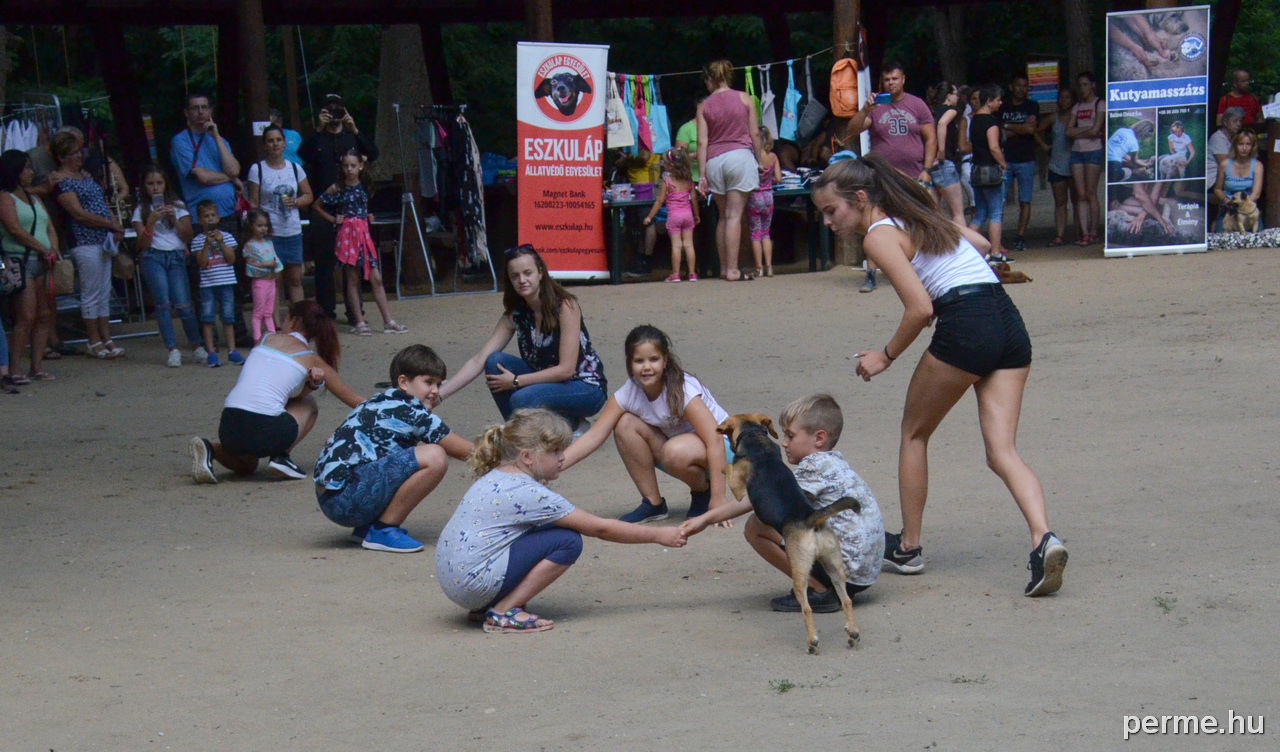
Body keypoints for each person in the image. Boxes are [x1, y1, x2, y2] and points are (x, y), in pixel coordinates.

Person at [812, 152, 1067, 597]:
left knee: (914, 433)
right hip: (1007, 322)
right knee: (1002, 451)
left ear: (860, 198)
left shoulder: (879, 236)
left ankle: (909, 547)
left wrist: (885, 356)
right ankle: (1044, 538)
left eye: (832, 210)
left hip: (966, 323)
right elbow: (981, 246)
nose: (828, 221)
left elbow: (920, 308)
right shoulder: (920, 219)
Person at [435, 408, 686, 633]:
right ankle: (504, 610)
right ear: (527, 457)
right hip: (473, 583)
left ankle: (489, 604)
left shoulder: (497, 475)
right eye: (555, 451)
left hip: (455, 580)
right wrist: (658, 535)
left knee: (550, 526)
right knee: (567, 540)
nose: (562, 457)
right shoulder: (530, 493)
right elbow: (600, 528)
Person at [678, 394, 884, 613]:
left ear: (819, 438)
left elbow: (752, 501)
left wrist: (705, 519)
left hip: (847, 572)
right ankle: (825, 585)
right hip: (866, 573)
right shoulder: (835, 463)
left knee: (756, 526)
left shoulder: (812, 467)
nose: (784, 442)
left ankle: (820, 590)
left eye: (791, 436)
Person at [561, 324, 730, 524]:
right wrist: (555, 464)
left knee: (674, 451)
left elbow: (715, 439)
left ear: (665, 360)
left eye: (654, 359)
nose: (647, 367)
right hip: (677, 451)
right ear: (630, 363)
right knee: (624, 423)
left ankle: (704, 492)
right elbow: (594, 436)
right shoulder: (629, 392)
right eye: (639, 361)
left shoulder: (683, 390)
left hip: (724, 451)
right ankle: (653, 503)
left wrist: (719, 500)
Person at [314, 344, 473, 553]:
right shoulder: (414, 413)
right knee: (435, 456)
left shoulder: (376, 401)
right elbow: (467, 452)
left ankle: (366, 527)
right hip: (348, 499)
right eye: (428, 382)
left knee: (395, 458)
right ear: (403, 382)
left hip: (328, 497)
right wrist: (507, 454)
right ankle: (383, 529)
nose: (435, 390)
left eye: (438, 383)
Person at [191, 299, 361, 484]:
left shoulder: (264, 338)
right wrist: (313, 386)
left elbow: (269, 382)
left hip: (229, 426)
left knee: (248, 466)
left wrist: (310, 385)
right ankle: (281, 457)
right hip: (267, 430)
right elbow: (354, 400)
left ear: (294, 321)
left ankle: (211, 449)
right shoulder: (312, 359)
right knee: (309, 404)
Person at [440, 245, 607, 429]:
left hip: (584, 386)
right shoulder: (516, 313)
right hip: (546, 382)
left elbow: (566, 370)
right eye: (515, 276)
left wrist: (515, 381)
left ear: (540, 273)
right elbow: (478, 360)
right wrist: (439, 395)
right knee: (494, 362)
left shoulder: (565, 306)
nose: (522, 280)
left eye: (528, 273)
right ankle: (520, 433)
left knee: (521, 398)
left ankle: (569, 425)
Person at [845, 62, 937, 292]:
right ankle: (871, 273)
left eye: (895, 79)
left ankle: (920, 269)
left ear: (903, 79)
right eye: (887, 80)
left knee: (917, 220)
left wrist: (927, 168)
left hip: (912, 174)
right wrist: (865, 109)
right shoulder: (876, 107)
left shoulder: (917, 104)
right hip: (882, 176)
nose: (891, 83)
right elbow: (852, 130)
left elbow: (931, 138)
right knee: (875, 222)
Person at [299, 93, 378, 322]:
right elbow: (303, 155)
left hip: (350, 210)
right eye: (329, 109)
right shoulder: (317, 138)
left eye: (338, 109)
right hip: (324, 207)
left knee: (352, 264)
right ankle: (326, 313)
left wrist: (355, 129)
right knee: (324, 263)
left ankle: (355, 312)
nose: (334, 114)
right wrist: (317, 129)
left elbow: (373, 154)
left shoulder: (351, 137)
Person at [51, 130, 127, 360]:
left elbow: (101, 204)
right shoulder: (62, 182)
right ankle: (93, 339)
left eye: (79, 151)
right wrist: (109, 224)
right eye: (73, 153)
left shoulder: (85, 176)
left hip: (102, 239)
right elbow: (78, 214)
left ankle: (106, 337)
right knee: (91, 292)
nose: (79, 156)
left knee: (104, 291)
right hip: (84, 240)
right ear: (62, 157)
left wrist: (114, 226)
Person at [319, 151, 407, 335]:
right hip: (347, 235)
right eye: (345, 166)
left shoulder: (365, 185)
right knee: (352, 278)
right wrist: (333, 218)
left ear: (360, 166)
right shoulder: (338, 187)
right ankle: (359, 322)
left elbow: (364, 206)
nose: (349, 169)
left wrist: (368, 215)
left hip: (363, 234)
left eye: (353, 165)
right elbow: (317, 205)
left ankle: (388, 320)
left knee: (376, 278)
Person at [696, 59, 761, 282]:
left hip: (714, 161)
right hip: (739, 157)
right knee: (734, 216)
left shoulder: (703, 106)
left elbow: (702, 142)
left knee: (723, 216)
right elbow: (755, 134)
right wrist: (759, 160)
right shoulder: (744, 98)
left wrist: (702, 176)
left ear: (710, 79)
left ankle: (724, 268)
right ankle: (734, 270)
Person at [132, 164, 202, 367]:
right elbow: (142, 244)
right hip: (153, 257)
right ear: (144, 186)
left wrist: (174, 219)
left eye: (159, 183)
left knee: (183, 304)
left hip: (176, 256)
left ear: (166, 184)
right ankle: (173, 349)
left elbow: (188, 236)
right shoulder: (140, 210)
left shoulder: (178, 206)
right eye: (150, 183)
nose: (155, 188)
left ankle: (196, 346)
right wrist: (150, 222)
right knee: (162, 304)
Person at [0, 149, 59, 383]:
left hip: (41, 261)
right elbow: (14, 229)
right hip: (21, 260)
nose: (31, 172)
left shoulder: (34, 198)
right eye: (26, 167)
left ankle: (36, 366)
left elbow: (49, 227)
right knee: (26, 316)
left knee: (44, 315)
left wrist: (53, 248)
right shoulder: (5, 198)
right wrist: (43, 248)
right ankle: (14, 368)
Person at [247, 123, 312, 307]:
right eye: (270, 141)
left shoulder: (295, 168)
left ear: (284, 143)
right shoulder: (257, 169)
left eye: (278, 140)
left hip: (292, 230)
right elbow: (253, 202)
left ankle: (298, 319)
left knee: (295, 279)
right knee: (273, 280)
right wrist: (256, 230)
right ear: (265, 145)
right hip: (270, 232)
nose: (275, 144)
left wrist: (296, 202)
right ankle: (273, 321)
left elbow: (308, 195)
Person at [191, 199, 243, 367]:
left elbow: (231, 259)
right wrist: (207, 244)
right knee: (207, 318)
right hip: (207, 285)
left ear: (218, 217)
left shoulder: (227, 237)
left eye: (213, 215)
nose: (210, 219)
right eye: (206, 216)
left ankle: (232, 351)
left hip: (226, 282)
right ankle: (211, 352)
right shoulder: (197, 240)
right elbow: (202, 263)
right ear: (199, 220)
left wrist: (220, 242)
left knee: (228, 317)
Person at [643, 148, 699, 282]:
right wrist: (696, 214)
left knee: (676, 245)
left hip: (674, 216)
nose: (663, 164)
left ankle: (675, 273)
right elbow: (694, 199)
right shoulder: (688, 181)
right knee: (689, 244)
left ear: (670, 166)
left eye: (665, 162)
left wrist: (649, 217)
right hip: (688, 215)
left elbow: (659, 201)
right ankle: (692, 273)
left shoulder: (667, 182)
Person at [997, 75, 1039, 254]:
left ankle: (1020, 237)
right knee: (999, 200)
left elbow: (1030, 129)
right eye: (1019, 85)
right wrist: (1019, 128)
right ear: (1011, 87)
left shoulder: (1032, 106)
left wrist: (1008, 126)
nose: (1022, 89)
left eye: (1025, 86)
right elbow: (999, 131)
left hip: (1026, 159)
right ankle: (997, 237)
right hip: (1005, 159)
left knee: (1025, 200)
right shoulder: (1002, 107)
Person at [968, 85, 1010, 262]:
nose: (1000, 103)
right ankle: (995, 253)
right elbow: (994, 147)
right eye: (998, 100)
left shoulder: (974, 120)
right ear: (989, 101)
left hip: (976, 170)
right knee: (995, 213)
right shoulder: (991, 122)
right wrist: (1003, 163)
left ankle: (966, 249)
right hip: (991, 171)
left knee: (980, 214)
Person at [1035, 86, 1078, 246]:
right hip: (1057, 165)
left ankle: (1079, 232)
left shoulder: (1077, 117)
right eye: (1061, 97)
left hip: (1075, 164)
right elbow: (1035, 130)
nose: (1063, 100)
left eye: (1067, 97)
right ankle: (1060, 234)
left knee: (1077, 201)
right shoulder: (1053, 117)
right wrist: (1044, 146)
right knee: (1060, 203)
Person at [1066, 72, 1105, 246]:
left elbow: (1097, 129)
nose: (1082, 88)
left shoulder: (1100, 104)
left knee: (1090, 193)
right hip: (1077, 151)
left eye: (1085, 84)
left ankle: (1094, 231)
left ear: (1093, 85)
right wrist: (1087, 131)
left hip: (1093, 150)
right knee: (1080, 194)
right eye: (1080, 85)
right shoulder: (1077, 106)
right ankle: (1085, 233)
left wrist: (1079, 132)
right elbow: (1068, 131)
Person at [927, 81, 966, 225]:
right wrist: (941, 150)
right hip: (945, 163)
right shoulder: (951, 110)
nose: (958, 97)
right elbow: (942, 123)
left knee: (931, 212)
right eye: (956, 94)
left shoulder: (931, 112)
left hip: (932, 165)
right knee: (957, 213)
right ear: (949, 96)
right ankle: (962, 240)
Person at [242, 208, 283, 341]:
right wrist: (267, 264)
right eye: (259, 225)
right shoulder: (250, 245)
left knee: (268, 312)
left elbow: (276, 260)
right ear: (251, 226)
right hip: (260, 282)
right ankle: (257, 339)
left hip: (271, 281)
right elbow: (250, 266)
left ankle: (272, 339)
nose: (263, 229)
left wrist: (276, 269)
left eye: (265, 225)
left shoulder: (269, 243)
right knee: (258, 313)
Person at [1213, 130, 1264, 231]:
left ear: (1252, 147)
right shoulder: (1224, 164)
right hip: (1229, 207)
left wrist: (1242, 206)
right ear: (1235, 146)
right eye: (1241, 144)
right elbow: (1217, 189)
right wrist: (1226, 200)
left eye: (1248, 144)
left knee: (1258, 236)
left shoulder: (1257, 166)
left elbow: (1256, 194)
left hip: (1249, 209)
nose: (1244, 148)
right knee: (1220, 235)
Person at [748, 126, 782, 277]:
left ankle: (758, 267)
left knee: (755, 233)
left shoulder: (752, 156)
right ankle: (769, 266)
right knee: (765, 233)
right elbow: (779, 178)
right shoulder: (773, 157)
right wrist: (769, 181)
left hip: (754, 196)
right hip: (768, 196)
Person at [1206, 107, 1244, 207]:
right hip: (1213, 180)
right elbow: (1226, 165)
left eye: (1240, 121)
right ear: (1225, 122)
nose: (1238, 124)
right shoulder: (1217, 138)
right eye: (1235, 121)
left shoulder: (1234, 139)